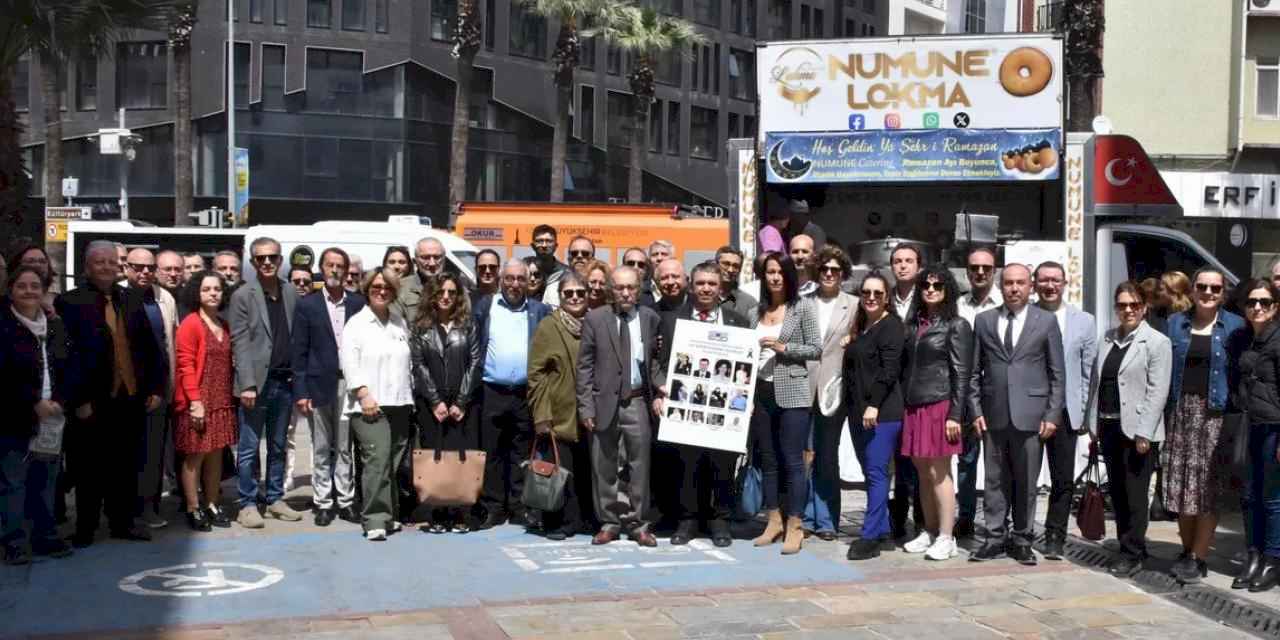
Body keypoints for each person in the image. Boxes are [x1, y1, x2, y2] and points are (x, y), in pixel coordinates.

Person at [57, 240, 166, 547]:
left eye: (110, 262)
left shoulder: (132, 299)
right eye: (98, 262)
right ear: (87, 267)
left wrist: (156, 387)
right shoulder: (70, 302)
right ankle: (86, 528)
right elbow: (67, 357)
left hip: (130, 398)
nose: (106, 267)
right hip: (91, 401)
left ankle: (122, 523)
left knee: (126, 465)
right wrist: (78, 400)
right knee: (88, 468)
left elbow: (150, 347)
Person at [969, 263, 1064, 566]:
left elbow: (1057, 373)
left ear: (1030, 286)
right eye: (1008, 283)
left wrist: (1052, 414)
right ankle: (994, 537)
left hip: (1032, 415)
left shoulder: (1046, 321)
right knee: (994, 480)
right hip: (993, 413)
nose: (1014, 288)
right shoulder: (984, 321)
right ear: (1001, 286)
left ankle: (1022, 539)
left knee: (1026, 482)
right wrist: (975, 409)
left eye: (1020, 283)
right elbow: (973, 372)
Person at [652, 261, 750, 547]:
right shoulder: (671, 321)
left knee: (722, 464)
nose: (706, 288)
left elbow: (747, 368)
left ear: (720, 288)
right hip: (685, 404)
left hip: (724, 408)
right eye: (700, 283)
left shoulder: (737, 321)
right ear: (691, 286)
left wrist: (747, 398)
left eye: (711, 283)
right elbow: (657, 362)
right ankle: (688, 520)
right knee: (688, 465)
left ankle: (719, 520)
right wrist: (660, 390)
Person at [1163, 268, 1247, 583]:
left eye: (1215, 288)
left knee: (1207, 490)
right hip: (1180, 414)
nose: (1208, 293)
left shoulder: (1235, 326)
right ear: (1193, 289)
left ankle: (1199, 557)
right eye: (1202, 286)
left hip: (1216, 416)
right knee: (1181, 488)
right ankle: (1186, 551)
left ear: (1223, 293)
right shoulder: (1175, 323)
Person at [1083, 281, 1171, 577]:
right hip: (1108, 426)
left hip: (1138, 432)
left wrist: (1145, 432)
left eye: (1134, 305)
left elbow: (1158, 391)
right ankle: (1127, 544)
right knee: (1118, 492)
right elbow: (1097, 383)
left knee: (1135, 493)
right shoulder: (1107, 338)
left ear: (1144, 307)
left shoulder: (1157, 342)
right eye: (1122, 305)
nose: (1128, 310)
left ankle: (1133, 552)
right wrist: (1092, 422)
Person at [577, 265, 661, 547]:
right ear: (610, 290)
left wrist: (661, 389)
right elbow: (584, 366)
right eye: (619, 287)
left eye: (631, 287)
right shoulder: (595, 318)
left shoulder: (649, 318)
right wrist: (586, 407)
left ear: (639, 289)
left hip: (637, 400)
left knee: (640, 466)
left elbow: (655, 361)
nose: (625, 293)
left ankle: (639, 524)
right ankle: (609, 523)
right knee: (604, 466)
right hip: (603, 402)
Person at [895, 265, 973, 561]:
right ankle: (928, 530)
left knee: (939, 472)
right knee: (922, 473)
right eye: (926, 285)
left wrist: (955, 414)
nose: (930, 290)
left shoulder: (956, 325)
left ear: (947, 290)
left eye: (937, 286)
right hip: (913, 404)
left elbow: (962, 374)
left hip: (940, 404)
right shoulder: (913, 323)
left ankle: (946, 536)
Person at [1, 266, 74, 564]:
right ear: (11, 291)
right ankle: (14, 543)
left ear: (44, 291)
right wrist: (33, 401)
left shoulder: (55, 326)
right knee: (13, 484)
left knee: (45, 482)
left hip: (52, 417)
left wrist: (60, 400)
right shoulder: (4, 326)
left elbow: (69, 366)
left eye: (35, 286)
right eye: (22, 286)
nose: (29, 291)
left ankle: (45, 537)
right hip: (14, 419)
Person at [229, 237, 303, 529]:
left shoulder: (290, 292)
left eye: (272, 257)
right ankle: (247, 503)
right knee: (248, 448)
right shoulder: (242, 295)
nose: (268, 262)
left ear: (281, 260)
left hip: (285, 382)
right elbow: (239, 342)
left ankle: (274, 498)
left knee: (278, 445)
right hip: (256, 385)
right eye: (261, 258)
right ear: (253, 262)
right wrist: (247, 384)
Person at [749, 252, 821, 555]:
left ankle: (795, 524)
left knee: (793, 461)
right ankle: (773, 520)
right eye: (770, 272)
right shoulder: (756, 311)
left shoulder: (802, 307)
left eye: (780, 272)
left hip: (792, 392)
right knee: (768, 460)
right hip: (761, 392)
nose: (775, 277)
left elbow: (816, 348)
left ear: (789, 275)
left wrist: (783, 347)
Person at [474, 260, 551, 529]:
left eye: (520, 279)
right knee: (492, 452)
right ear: (501, 280)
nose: (515, 284)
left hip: (524, 393)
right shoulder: (486, 306)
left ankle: (519, 507)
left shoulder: (539, 310)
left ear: (528, 282)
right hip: (491, 390)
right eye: (509, 278)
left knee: (521, 453)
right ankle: (493, 507)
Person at [291, 248, 365, 526]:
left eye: (340, 266)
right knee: (321, 446)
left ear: (346, 271)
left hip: (349, 383)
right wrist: (301, 391)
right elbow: (299, 351)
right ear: (321, 269)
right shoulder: (307, 305)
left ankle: (345, 500)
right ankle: (323, 502)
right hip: (318, 384)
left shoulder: (358, 303)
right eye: (330, 265)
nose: (334, 270)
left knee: (345, 446)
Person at [341, 268, 414, 541]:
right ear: (367, 290)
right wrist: (363, 394)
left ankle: (390, 514)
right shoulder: (356, 324)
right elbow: (349, 362)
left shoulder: (398, 322)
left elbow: (407, 362)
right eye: (376, 287)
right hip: (370, 404)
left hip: (400, 402)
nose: (381, 292)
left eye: (387, 288)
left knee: (392, 463)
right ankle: (374, 518)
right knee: (376, 461)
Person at [1033, 261, 1097, 561]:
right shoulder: (1026, 315)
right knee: (1024, 476)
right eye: (1044, 280)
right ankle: (1020, 531)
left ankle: (1055, 536)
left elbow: (1088, 371)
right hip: (1030, 409)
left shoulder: (1083, 321)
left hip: (1066, 412)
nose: (1050, 286)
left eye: (1055, 280)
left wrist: (1083, 413)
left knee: (1062, 479)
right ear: (1035, 284)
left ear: (1065, 283)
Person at [410, 271, 480, 533]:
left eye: (452, 292)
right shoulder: (421, 327)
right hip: (432, 404)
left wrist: (461, 401)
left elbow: (475, 362)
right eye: (441, 292)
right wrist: (435, 401)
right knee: (435, 455)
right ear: (432, 295)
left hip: (462, 403)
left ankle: (461, 512)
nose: (446, 297)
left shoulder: (468, 324)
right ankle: (438, 512)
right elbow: (418, 365)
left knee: (460, 456)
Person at [843, 272, 905, 560]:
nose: (871, 297)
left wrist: (875, 405)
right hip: (858, 411)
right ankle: (881, 529)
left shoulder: (891, 327)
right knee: (870, 472)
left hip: (882, 412)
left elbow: (889, 370)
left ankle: (868, 538)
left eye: (877, 293)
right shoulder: (863, 326)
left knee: (877, 473)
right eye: (866, 292)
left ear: (887, 298)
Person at [527, 274, 593, 540]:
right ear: (560, 296)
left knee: (585, 469)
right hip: (558, 412)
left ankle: (584, 519)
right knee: (558, 471)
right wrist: (541, 415)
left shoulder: (595, 323)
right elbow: (536, 373)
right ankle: (557, 522)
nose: (575, 297)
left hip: (589, 412)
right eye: (569, 293)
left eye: (580, 292)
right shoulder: (548, 326)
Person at [172, 271, 237, 532]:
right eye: (207, 289)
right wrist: (195, 402)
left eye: (217, 289)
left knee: (215, 455)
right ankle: (193, 507)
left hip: (221, 399)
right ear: (197, 293)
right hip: (198, 400)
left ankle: (212, 503)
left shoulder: (224, 324)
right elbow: (185, 365)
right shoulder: (191, 323)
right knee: (195, 456)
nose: (213, 293)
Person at [804, 245, 857, 541]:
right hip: (802, 387)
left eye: (834, 270)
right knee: (804, 455)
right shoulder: (802, 303)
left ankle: (826, 519)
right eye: (823, 269)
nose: (828, 274)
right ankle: (804, 517)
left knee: (826, 454)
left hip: (834, 390)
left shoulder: (854, 304)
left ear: (842, 273)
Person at [125, 248, 177, 530]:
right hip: (123, 392)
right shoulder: (117, 296)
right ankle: (124, 511)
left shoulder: (164, 298)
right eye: (138, 267)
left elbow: (170, 344)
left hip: (158, 391)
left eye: (150, 267)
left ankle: (149, 508)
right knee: (126, 455)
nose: (145, 272)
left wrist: (164, 388)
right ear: (126, 268)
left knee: (153, 454)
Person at [1236, 279, 1280, 591]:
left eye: (1264, 302)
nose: (1257, 307)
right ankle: (1253, 555)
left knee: (1272, 498)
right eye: (1252, 302)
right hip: (1247, 424)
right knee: (1249, 496)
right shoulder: (1242, 339)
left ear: (1275, 307)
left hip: (1273, 427)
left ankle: (1272, 561)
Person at [887, 243, 924, 538]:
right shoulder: (883, 298)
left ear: (918, 266)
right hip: (890, 389)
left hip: (919, 386)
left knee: (920, 458)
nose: (902, 266)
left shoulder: (927, 298)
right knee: (898, 457)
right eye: (898, 261)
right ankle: (898, 518)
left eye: (908, 261)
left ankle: (923, 520)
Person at [282, 267, 315, 492]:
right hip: (287, 378)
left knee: (318, 433)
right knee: (287, 432)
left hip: (313, 379)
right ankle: (287, 475)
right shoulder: (282, 307)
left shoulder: (316, 308)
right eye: (296, 281)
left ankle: (317, 476)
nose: (301, 285)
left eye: (306, 281)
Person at [529, 224, 570, 304]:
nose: (544, 245)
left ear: (556, 246)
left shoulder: (566, 273)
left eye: (549, 241)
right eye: (539, 241)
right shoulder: (523, 270)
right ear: (532, 246)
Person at [716, 246, 758, 320]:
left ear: (740, 270)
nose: (730, 270)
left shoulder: (749, 304)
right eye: (726, 264)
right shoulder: (702, 295)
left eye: (735, 266)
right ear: (715, 264)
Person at [640, 240, 673, 306]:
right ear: (649, 261)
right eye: (655, 254)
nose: (659, 258)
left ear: (672, 259)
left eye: (664, 254)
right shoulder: (640, 290)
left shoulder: (681, 289)